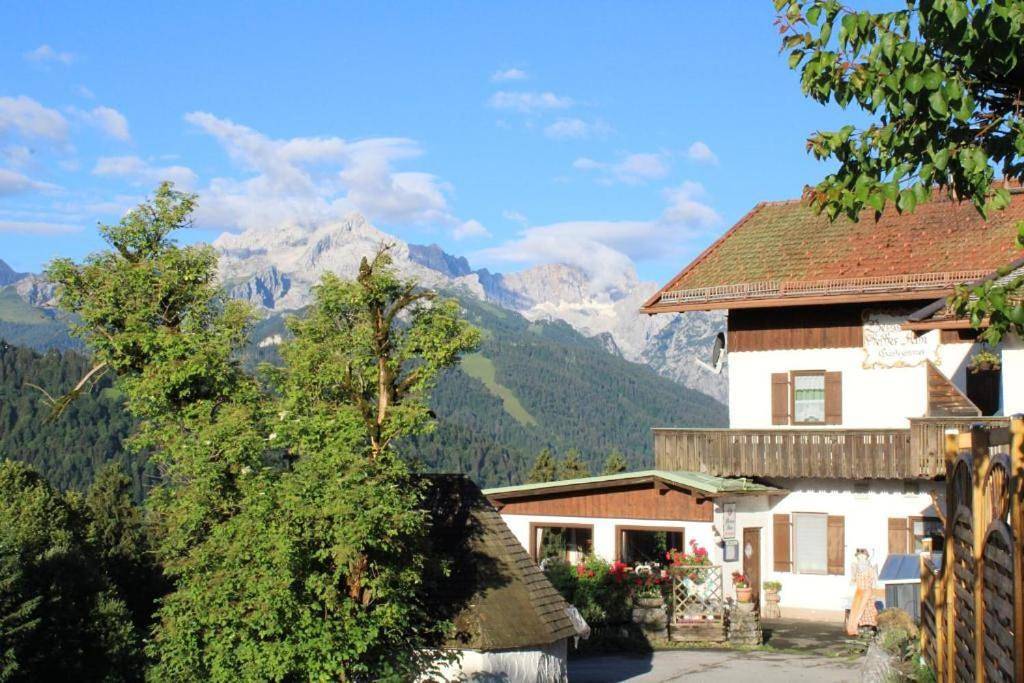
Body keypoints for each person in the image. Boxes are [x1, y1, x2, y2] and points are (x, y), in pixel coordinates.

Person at [845, 548, 878, 636]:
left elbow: (874, 581)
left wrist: (874, 590)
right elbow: (853, 580)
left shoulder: (870, 569)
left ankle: (870, 626)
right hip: (859, 591)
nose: (861, 558)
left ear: (866, 557)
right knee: (856, 609)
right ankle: (856, 627)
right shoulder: (857, 569)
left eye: (863, 556)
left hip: (867, 591)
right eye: (859, 557)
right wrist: (852, 581)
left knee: (866, 608)